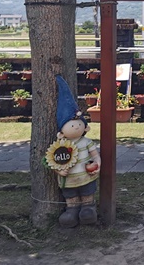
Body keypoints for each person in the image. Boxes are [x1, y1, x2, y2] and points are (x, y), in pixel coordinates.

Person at [48, 76, 101, 228]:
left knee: (87, 193)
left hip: (86, 176)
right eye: (71, 125)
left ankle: (88, 208)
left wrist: (97, 163)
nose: (76, 127)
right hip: (69, 180)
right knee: (70, 196)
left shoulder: (86, 142)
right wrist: (59, 171)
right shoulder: (60, 146)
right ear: (62, 132)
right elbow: (52, 160)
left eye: (79, 124)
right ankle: (72, 210)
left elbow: (95, 155)